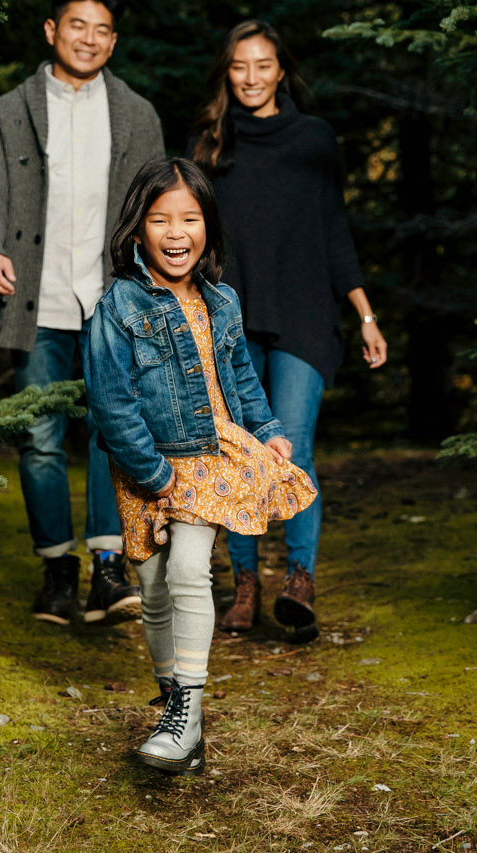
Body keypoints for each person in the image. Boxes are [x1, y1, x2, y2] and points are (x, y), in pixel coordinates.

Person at [83, 157, 316, 773]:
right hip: (147, 466)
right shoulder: (119, 306)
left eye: (190, 218)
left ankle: (186, 710)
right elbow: (112, 403)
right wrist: (153, 474)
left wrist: (266, 431)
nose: (176, 232)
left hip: (211, 458)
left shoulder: (222, 300)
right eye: (160, 219)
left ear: (208, 226)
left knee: (189, 569)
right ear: (137, 230)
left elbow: (240, 374)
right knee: (155, 588)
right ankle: (175, 707)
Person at [0, 0, 166, 626]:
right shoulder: (11, 109)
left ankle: (109, 569)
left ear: (114, 40)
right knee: (41, 440)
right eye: (76, 25)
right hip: (39, 301)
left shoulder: (137, 114)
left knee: (113, 435)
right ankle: (58, 570)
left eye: (102, 29)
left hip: (110, 302)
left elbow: (155, 206)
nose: (89, 38)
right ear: (52, 31)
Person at [188, 21, 387, 640]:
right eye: (239, 66)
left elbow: (334, 232)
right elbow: (188, 231)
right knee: (241, 451)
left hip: (304, 315)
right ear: (228, 72)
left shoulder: (314, 140)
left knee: (292, 444)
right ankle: (245, 584)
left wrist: (365, 313)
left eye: (263, 65)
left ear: (281, 70)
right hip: (231, 320)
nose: (251, 78)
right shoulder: (210, 145)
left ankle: (299, 581)